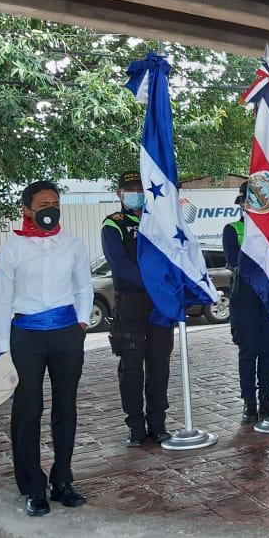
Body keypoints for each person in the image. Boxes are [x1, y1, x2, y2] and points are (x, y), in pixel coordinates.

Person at [0, 180, 92, 517]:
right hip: (26, 336)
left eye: (55, 204)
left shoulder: (73, 245)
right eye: (44, 205)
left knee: (66, 407)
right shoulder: (12, 250)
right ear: (27, 210)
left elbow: (83, 288)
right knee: (28, 410)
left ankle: (62, 481)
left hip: (66, 333)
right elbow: (0, 299)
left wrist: (80, 324)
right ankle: (33, 487)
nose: (51, 210)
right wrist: (2, 346)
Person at [101, 171, 173, 447]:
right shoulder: (113, 224)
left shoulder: (160, 221)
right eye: (130, 190)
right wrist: (154, 283)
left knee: (159, 364)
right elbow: (120, 266)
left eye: (141, 189)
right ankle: (135, 426)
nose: (137, 194)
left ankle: (158, 423)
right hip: (130, 304)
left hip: (160, 305)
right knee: (131, 367)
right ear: (119, 193)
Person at [222, 182, 269, 425]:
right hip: (244, 296)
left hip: (267, 297)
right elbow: (235, 260)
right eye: (249, 201)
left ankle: (266, 398)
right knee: (248, 352)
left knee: (268, 351)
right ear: (242, 204)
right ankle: (249, 402)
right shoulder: (233, 229)